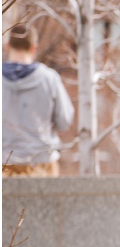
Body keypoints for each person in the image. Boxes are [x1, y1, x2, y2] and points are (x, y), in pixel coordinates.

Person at [2, 23, 74, 177]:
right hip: (42, 162)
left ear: (8, 46)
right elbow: (64, 121)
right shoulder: (49, 79)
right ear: (34, 47)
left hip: (4, 163)